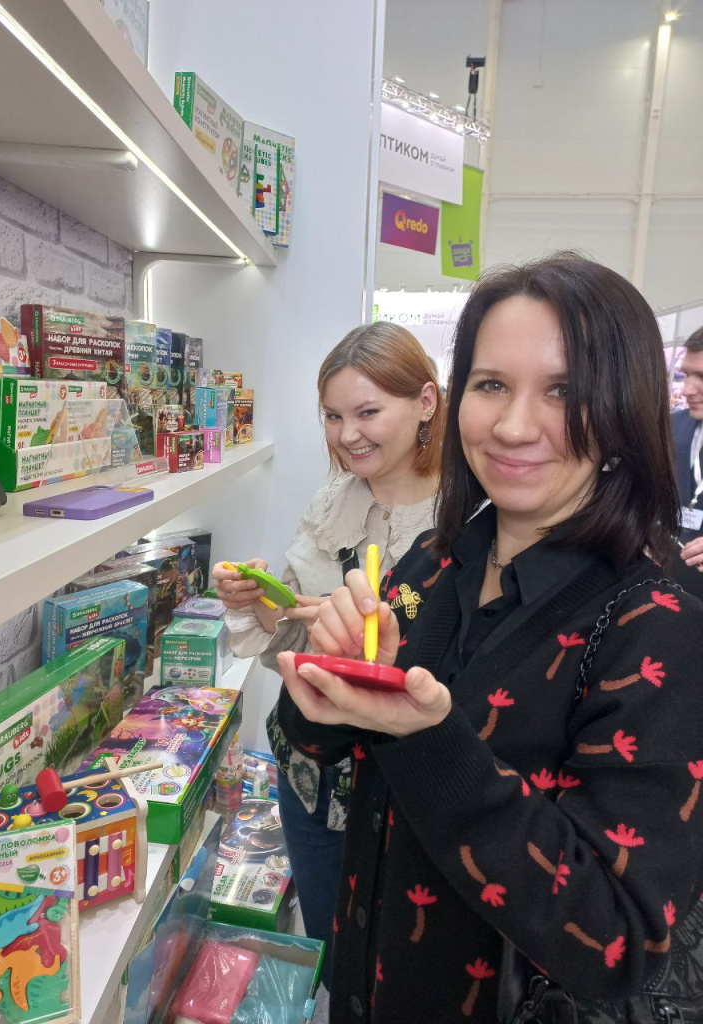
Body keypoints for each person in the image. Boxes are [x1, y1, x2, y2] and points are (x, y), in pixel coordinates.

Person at [276, 254, 703, 1023]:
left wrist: (429, 739)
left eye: (563, 391)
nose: (512, 426)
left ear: (624, 409)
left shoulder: (656, 624)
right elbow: (317, 744)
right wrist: (328, 681)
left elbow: (621, 938)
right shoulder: (434, 561)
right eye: (492, 384)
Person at [212, 322, 445, 988]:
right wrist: (260, 603)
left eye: (367, 412)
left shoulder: (471, 515)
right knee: (332, 950)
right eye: (334, 416)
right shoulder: (330, 504)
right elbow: (291, 644)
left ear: (425, 402)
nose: (348, 435)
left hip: (411, 788)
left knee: (411, 965)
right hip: (309, 774)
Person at [669, 326, 703, 598]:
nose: (687, 390)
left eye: (701, 376)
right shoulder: (671, 426)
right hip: (672, 579)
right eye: (686, 374)